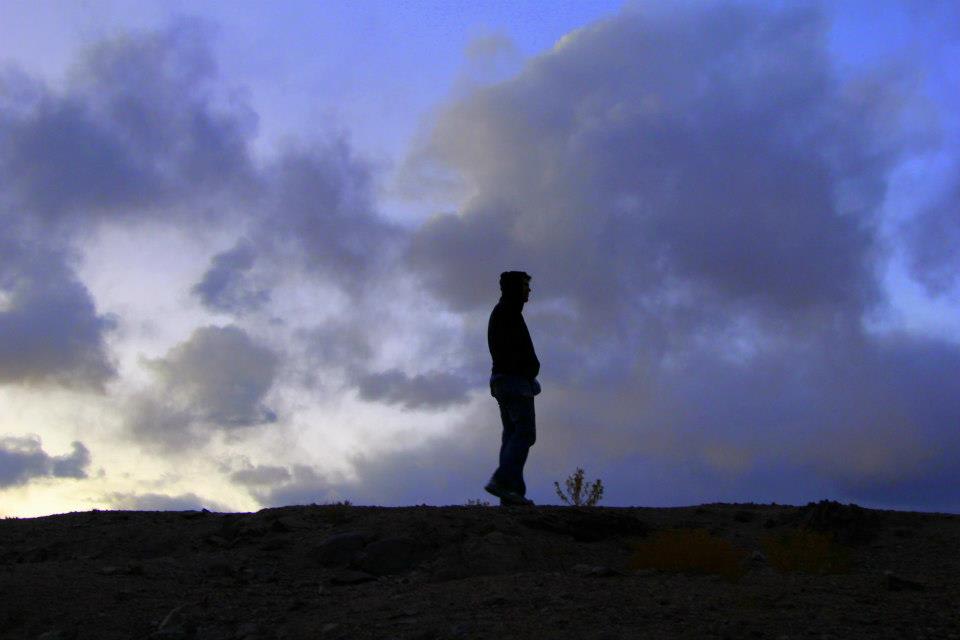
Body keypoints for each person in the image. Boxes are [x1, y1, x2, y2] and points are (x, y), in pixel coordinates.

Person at [484, 270, 540, 507]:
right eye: (526, 286)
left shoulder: (505, 312)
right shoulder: (508, 313)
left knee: (511, 435)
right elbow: (513, 352)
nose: (529, 290)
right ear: (516, 288)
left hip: (505, 381)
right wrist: (528, 371)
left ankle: (511, 494)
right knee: (524, 433)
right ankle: (504, 481)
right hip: (514, 382)